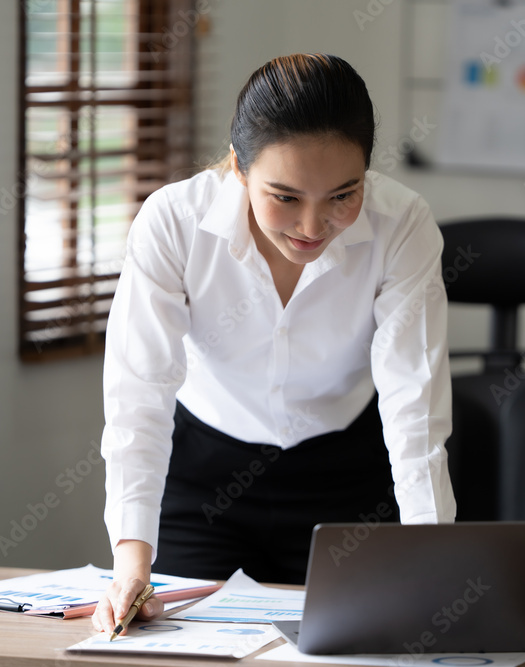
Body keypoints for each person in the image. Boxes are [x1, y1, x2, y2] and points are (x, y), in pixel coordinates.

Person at [92, 53, 456, 634]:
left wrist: (433, 555)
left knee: (368, 644)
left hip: (344, 479)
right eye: (285, 196)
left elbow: (414, 398)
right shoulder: (173, 223)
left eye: (343, 195)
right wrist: (132, 563)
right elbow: (140, 393)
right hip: (204, 476)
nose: (312, 227)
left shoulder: (402, 226)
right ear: (238, 167)